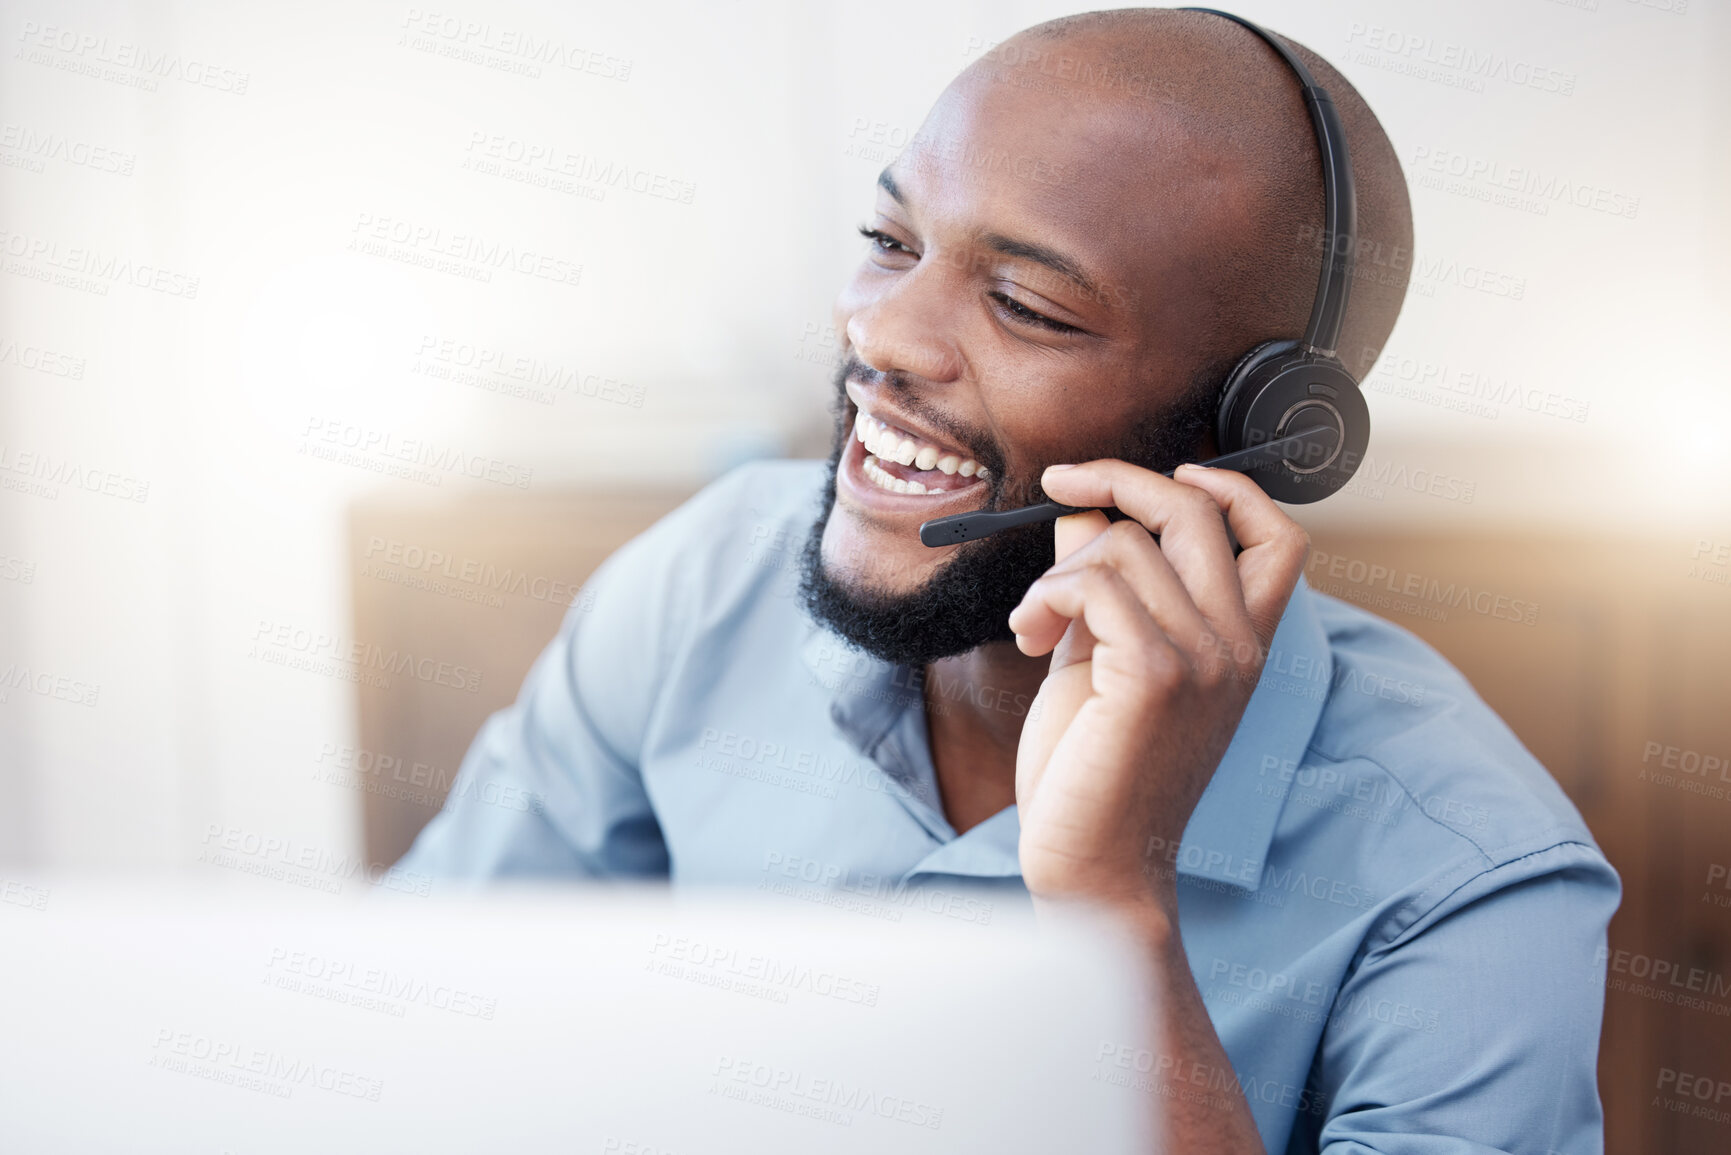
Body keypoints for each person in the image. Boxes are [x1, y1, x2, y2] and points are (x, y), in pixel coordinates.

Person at [397, 9, 1619, 1152]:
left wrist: (1111, 906)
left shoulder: (1470, 883)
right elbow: (428, 1028)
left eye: (1027, 306)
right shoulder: (710, 579)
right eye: (889, 243)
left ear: (1265, 430)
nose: (884, 337)